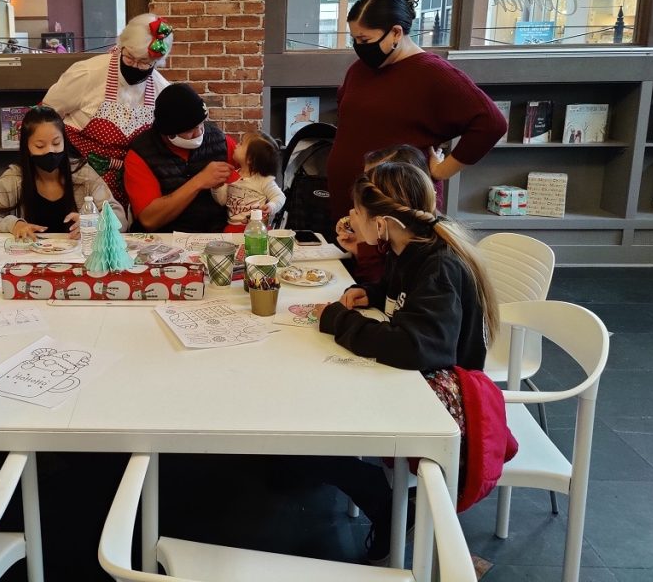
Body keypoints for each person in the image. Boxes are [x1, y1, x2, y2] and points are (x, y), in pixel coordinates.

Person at [309, 161, 499, 564]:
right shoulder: (408, 248)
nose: (349, 218)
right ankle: (382, 500)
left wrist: (340, 319)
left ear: (382, 223)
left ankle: (388, 503)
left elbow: (416, 345)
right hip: (414, 377)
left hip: (442, 399)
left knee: (313, 423)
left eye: (356, 211)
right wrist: (373, 295)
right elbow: (408, 303)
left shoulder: (438, 265)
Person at [326, 0, 507, 223]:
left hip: (398, 206)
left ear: (396, 33)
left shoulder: (433, 73)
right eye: (355, 39)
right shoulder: (360, 69)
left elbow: (491, 123)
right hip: (353, 202)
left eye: (364, 40)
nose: (358, 46)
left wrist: (442, 170)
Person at [42, 13, 174, 206]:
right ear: (121, 47)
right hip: (79, 183)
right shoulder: (88, 73)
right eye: (129, 58)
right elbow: (46, 116)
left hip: (130, 190)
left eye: (145, 63)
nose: (136, 67)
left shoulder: (161, 90)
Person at [0, 105, 126, 239]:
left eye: (56, 143)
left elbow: (119, 217)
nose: (50, 151)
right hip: (28, 258)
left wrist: (95, 222)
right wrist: (14, 225)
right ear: (26, 147)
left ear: (64, 142)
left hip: (78, 258)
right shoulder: (15, 177)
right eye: (40, 146)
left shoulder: (83, 173)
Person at [124, 82, 236, 232]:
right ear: (169, 132)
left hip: (218, 235)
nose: (199, 133)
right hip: (165, 240)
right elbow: (149, 220)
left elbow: (251, 177)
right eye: (191, 130)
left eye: (201, 125)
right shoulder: (141, 154)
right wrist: (199, 181)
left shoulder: (219, 140)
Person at [335, 143, 433, 283]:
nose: (367, 196)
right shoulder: (394, 246)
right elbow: (385, 291)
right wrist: (360, 249)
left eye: (373, 190)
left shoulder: (429, 265)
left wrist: (365, 244)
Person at [212, 130, 286, 233]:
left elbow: (280, 197)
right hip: (232, 228)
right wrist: (217, 187)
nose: (236, 145)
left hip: (257, 229)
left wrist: (271, 206)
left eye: (241, 143)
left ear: (250, 159)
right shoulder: (231, 175)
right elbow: (222, 201)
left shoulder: (263, 180)